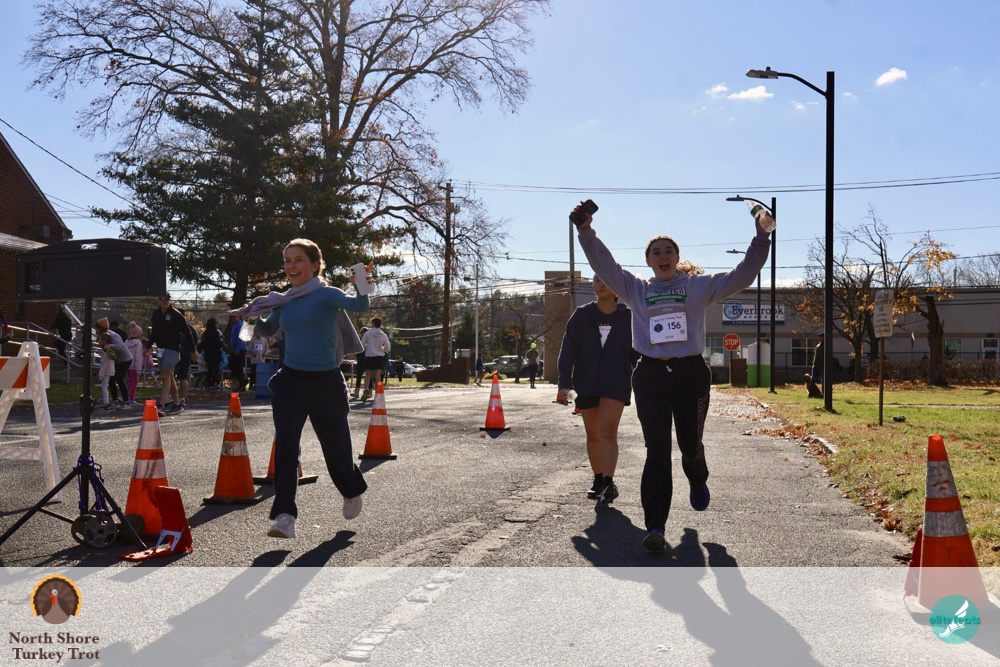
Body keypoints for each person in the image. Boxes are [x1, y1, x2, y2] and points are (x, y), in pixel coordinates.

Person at [571, 200, 770, 552]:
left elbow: (743, 275)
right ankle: (655, 526)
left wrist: (761, 238)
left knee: (690, 444)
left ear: (677, 258)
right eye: (656, 252)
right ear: (648, 261)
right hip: (650, 375)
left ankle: (698, 476)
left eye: (668, 251)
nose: (662, 256)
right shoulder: (636, 289)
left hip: (690, 373)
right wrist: (585, 231)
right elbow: (604, 264)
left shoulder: (698, 287)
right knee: (657, 451)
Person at [234, 238, 371, 539]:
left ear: (315, 265)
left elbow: (360, 305)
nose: (291, 266)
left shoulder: (327, 294)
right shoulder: (285, 300)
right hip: (291, 383)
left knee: (337, 449)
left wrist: (361, 282)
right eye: (287, 260)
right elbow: (268, 329)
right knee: (286, 447)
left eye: (298, 260)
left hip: (326, 383)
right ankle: (285, 516)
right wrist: (251, 317)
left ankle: (350, 490)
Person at [556, 275, 635, 505]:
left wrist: (642, 375)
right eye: (597, 280)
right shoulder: (582, 315)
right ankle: (598, 479)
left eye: (606, 279)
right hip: (586, 383)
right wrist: (564, 383)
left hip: (616, 383)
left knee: (607, 431)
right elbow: (568, 350)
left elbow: (637, 351)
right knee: (593, 434)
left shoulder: (628, 317)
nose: (600, 284)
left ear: (616, 286)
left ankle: (609, 483)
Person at [149, 293, 198, 416]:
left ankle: (161, 405)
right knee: (169, 376)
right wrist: (148, 346)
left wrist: (193, 351)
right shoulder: (156, 314)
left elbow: (188, 333)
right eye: (163, 299)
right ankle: (177, 404)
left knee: (165, 375)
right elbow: (154, 332)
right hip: (161, 348)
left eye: (168, 299)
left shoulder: (176, 314)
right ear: (158, 300)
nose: (165, 301)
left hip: (173, 349)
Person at [95, 317, 131, 409]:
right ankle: (115, 401)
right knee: (111, 380)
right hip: (115, 359)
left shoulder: (112, 335)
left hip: (124, 359)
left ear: (101, 328)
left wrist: (109, 346)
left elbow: (121, 348)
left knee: (119, 379)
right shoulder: (103, 336)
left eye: (96, 328)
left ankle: (126, 402)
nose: (95, 330)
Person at [360, 317, 391, 401]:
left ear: (373, 324)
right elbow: (388, 347)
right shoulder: (383, 335)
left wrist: (367, 347)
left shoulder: (367, 333)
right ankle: (378, 393)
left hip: (369, 356)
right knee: (377, 376)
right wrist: (382, 349)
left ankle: (366, 390)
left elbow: (362, 345)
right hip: (379, 357)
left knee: (368, 375)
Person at [199, 318, 225, 393]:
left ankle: (208, 384)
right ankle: (214, 384)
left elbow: (202, 343)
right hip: (215, 353)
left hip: (207, 353)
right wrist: (223, 345)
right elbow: (218, 343)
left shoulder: (205, 333)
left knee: (210, 370)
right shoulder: (216, 332)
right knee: (216, 369)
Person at [124, 322, 145, 405]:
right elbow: (138, 357)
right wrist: (139, 369)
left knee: (130, 381)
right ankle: (131, 398)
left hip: (127, 364)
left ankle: (123, 396)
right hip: (135, 366)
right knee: (134, 383)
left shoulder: (126, 342)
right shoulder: (138, 344)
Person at [230, 315, 249, 391]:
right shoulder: (234, 325)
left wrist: (238, 349)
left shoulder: (240, 325)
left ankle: (242, 384)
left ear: (238, 316)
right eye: (231, 317)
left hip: (240, 349)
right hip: (235, 349)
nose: (232, 318)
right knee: (233, 365)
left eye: (233, 317)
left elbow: (241, 338)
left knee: (239, 367)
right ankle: (242, 381)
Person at [807, 333, 825, 399]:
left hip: (823, 366)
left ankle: (824, 395)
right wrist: (813, 363)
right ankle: (810, 394)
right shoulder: (818, 345)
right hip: (816, 366)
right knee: (812, 380)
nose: (819, 338)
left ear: (824, 337)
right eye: (819, 337)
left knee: (823, 381)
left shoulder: (826, 345)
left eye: (820, 337)